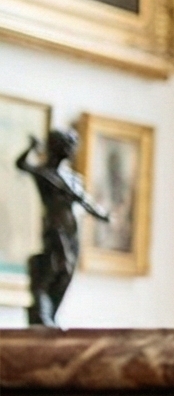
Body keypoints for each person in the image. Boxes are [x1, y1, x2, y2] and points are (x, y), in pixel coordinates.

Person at [15, 130, 109, 329]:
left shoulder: (73, 179)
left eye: (72, 146)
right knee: (56, 267)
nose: (71, 150)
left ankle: (51, 315)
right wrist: (32, 148)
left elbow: (86, 201)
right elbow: (21, 164)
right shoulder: (44, 173)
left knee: (66, 274)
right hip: (54, 228)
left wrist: (102, 214)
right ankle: (41, 314)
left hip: (71, 229)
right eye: (67, 145)